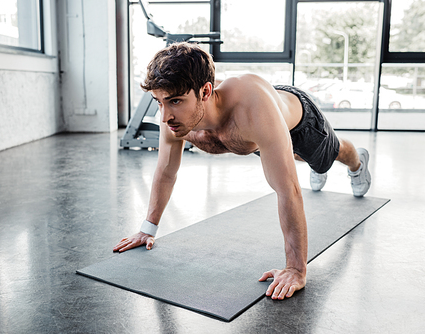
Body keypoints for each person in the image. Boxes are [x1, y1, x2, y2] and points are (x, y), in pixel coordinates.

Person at [113, 42, 371, 300]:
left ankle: (358, 161)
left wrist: (295, 269)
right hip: (257, 134)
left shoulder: (252, 111)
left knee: (328, 156)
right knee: (290, 157)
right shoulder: (174, 119)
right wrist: (148, 228)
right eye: (159, 102)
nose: (164, 116)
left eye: (175, 101)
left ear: (205, 91)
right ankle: (305, 159)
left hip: (298, 121)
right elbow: (166, 170)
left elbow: (288, 191)